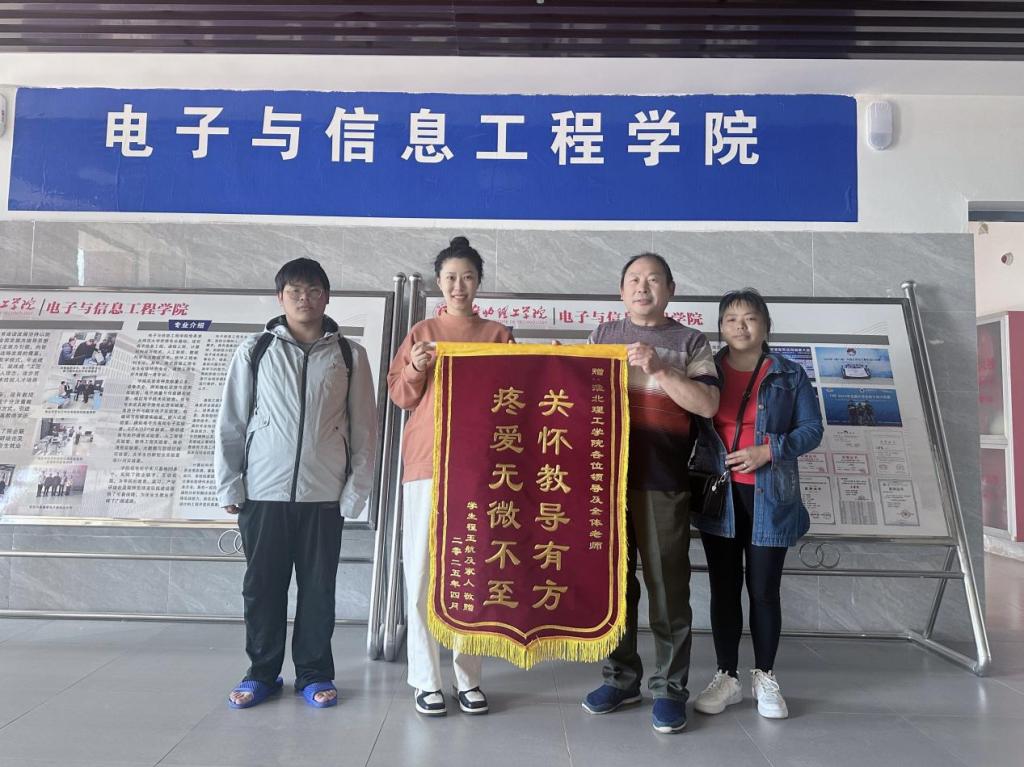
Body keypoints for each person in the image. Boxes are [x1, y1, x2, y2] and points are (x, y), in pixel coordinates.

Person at [215, 257, 378, 710]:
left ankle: (314, 673)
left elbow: (365, 429)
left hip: (324, 495)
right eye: (294, 291)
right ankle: (261, 673)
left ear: (327, 297)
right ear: (280, 298)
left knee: (318, 590)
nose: (304, 299)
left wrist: (355, 492)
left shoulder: (350, 355)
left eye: (313, 290)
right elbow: (231, 421)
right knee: (262, 588)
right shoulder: (256, 350)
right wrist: (230, 485)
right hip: (263, 493)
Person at [581, 253, 720, 735]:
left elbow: (707, 403)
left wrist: (661, 369)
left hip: (663, 479)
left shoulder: (690, 341)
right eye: (634, 280)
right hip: (604, 483)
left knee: (667, 589)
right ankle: (621, 679)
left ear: (671, 289)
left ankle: (669, 689)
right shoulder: (602, 336)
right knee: (615, 588)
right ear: (621, 291)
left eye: (653, 280)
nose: (643, 287)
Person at [387, 236, 513, 718]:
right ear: (439, 283)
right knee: (421, 571)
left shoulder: (497, 334)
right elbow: (400, 396)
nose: (459, 286)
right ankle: (426, 679)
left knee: (473, 572)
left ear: (479, 282)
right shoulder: (423, 331)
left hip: (482, 470)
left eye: (468, 277)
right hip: (427, 463)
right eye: (450, 278)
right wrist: (416, 369)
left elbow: (521, 395)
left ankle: (468, 677)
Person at [690, 288, 823, 720]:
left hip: (771, 495)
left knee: (764, 590)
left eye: (749, 318)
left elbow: (812, 429)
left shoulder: (788, 374)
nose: (740, 326)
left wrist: (770, 450)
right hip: (719, 495)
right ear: (720, 327)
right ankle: (726, 677)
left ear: (766, 325)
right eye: (730, 319)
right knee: (724, 588)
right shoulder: (705, 371)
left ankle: (765, 676)